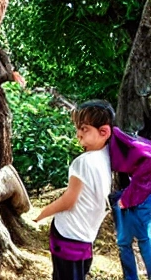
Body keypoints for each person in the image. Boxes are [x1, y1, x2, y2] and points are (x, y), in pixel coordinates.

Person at [34, 101, 113, 280]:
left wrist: (41, 214)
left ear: (104, 132)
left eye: (84, 129)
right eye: (78, 128)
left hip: (68, 234)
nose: (78, 134)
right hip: (86, 238)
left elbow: (68, 201)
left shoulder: (83, 162)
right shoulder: (110, 159)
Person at [102, 98, 151, 280]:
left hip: (141, 193)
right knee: (123, 242)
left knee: (144, 240)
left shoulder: (121, 139)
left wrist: (128, 198)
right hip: (126, 193)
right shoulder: (109, 141)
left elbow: (148, 162)